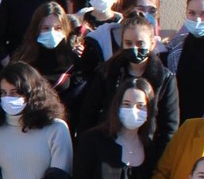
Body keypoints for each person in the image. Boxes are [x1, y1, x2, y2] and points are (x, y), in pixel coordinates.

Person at [73, 13, 180, 143]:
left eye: (140, 43)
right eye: (128, 43)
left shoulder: (164, 78)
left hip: (146, 146)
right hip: (109, 143)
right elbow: (89, 112)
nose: (134, 48)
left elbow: (169, 126)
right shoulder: (108, 72)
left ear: (152, 44)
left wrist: (157, 152)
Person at [9, 1, 99, 113]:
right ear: (36, 29)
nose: (52, 33)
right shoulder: (24, 57)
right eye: (45, 28)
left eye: (58, 28)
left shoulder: (72, 57)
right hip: (30, 115)